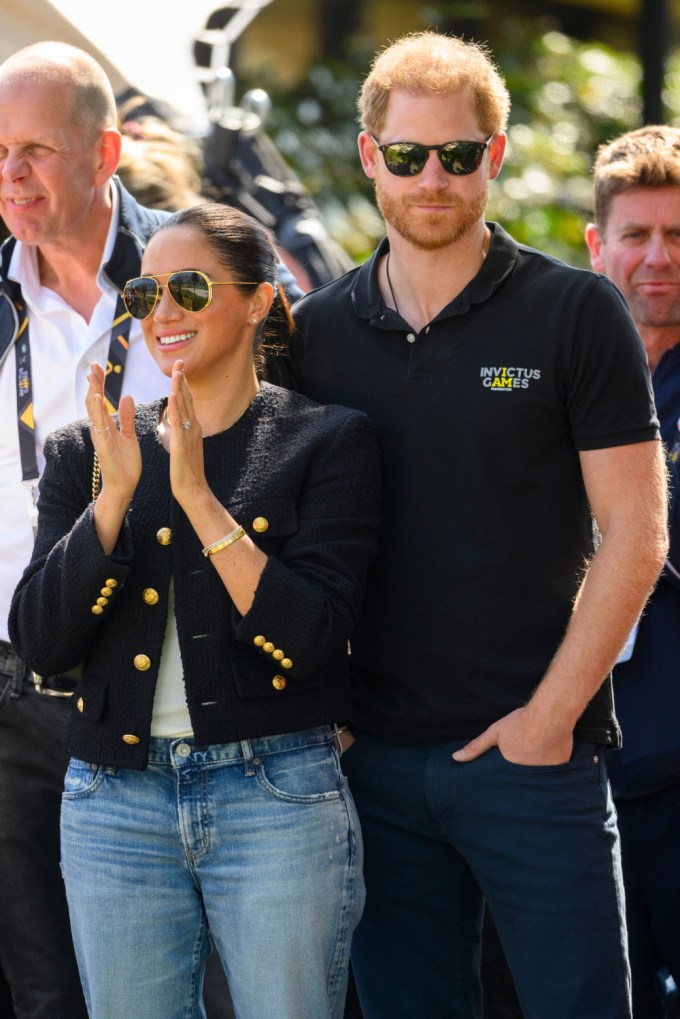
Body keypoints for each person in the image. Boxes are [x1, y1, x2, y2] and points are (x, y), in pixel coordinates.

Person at [290, 31, 669, 1019]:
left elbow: (635, 532)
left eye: (457, 154)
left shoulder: (572, 313)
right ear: (369, 156)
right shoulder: (315, 334)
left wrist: (546, 721)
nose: (432, 178)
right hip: (369, 767)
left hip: (536, 763)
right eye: (407, 155)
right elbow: (287, 540)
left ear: (492, 156)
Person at [9, 201, 380, 1019]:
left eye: (187, 286)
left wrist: (200, 503)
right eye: (143, 296)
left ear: (257, 299)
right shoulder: (91, 449)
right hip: (114, 799)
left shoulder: (328, 440)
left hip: (276, 793)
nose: (162, 313)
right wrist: (110, 506)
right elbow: (39, 639)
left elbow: (313, 635)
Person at [0, 41, 302, 1019]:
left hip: (174, 688)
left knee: (198, 990)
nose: (12, 174)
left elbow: (292, 448)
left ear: (107, 152)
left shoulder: (203, 270)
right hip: (11, 684)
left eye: (37, 149)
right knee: (43, 987)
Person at [586, 125, 680, 1019]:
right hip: (579, 777)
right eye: (637, 235)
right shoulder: (555, 382)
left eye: (678, 237)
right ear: (596, 244)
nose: (657, 258)